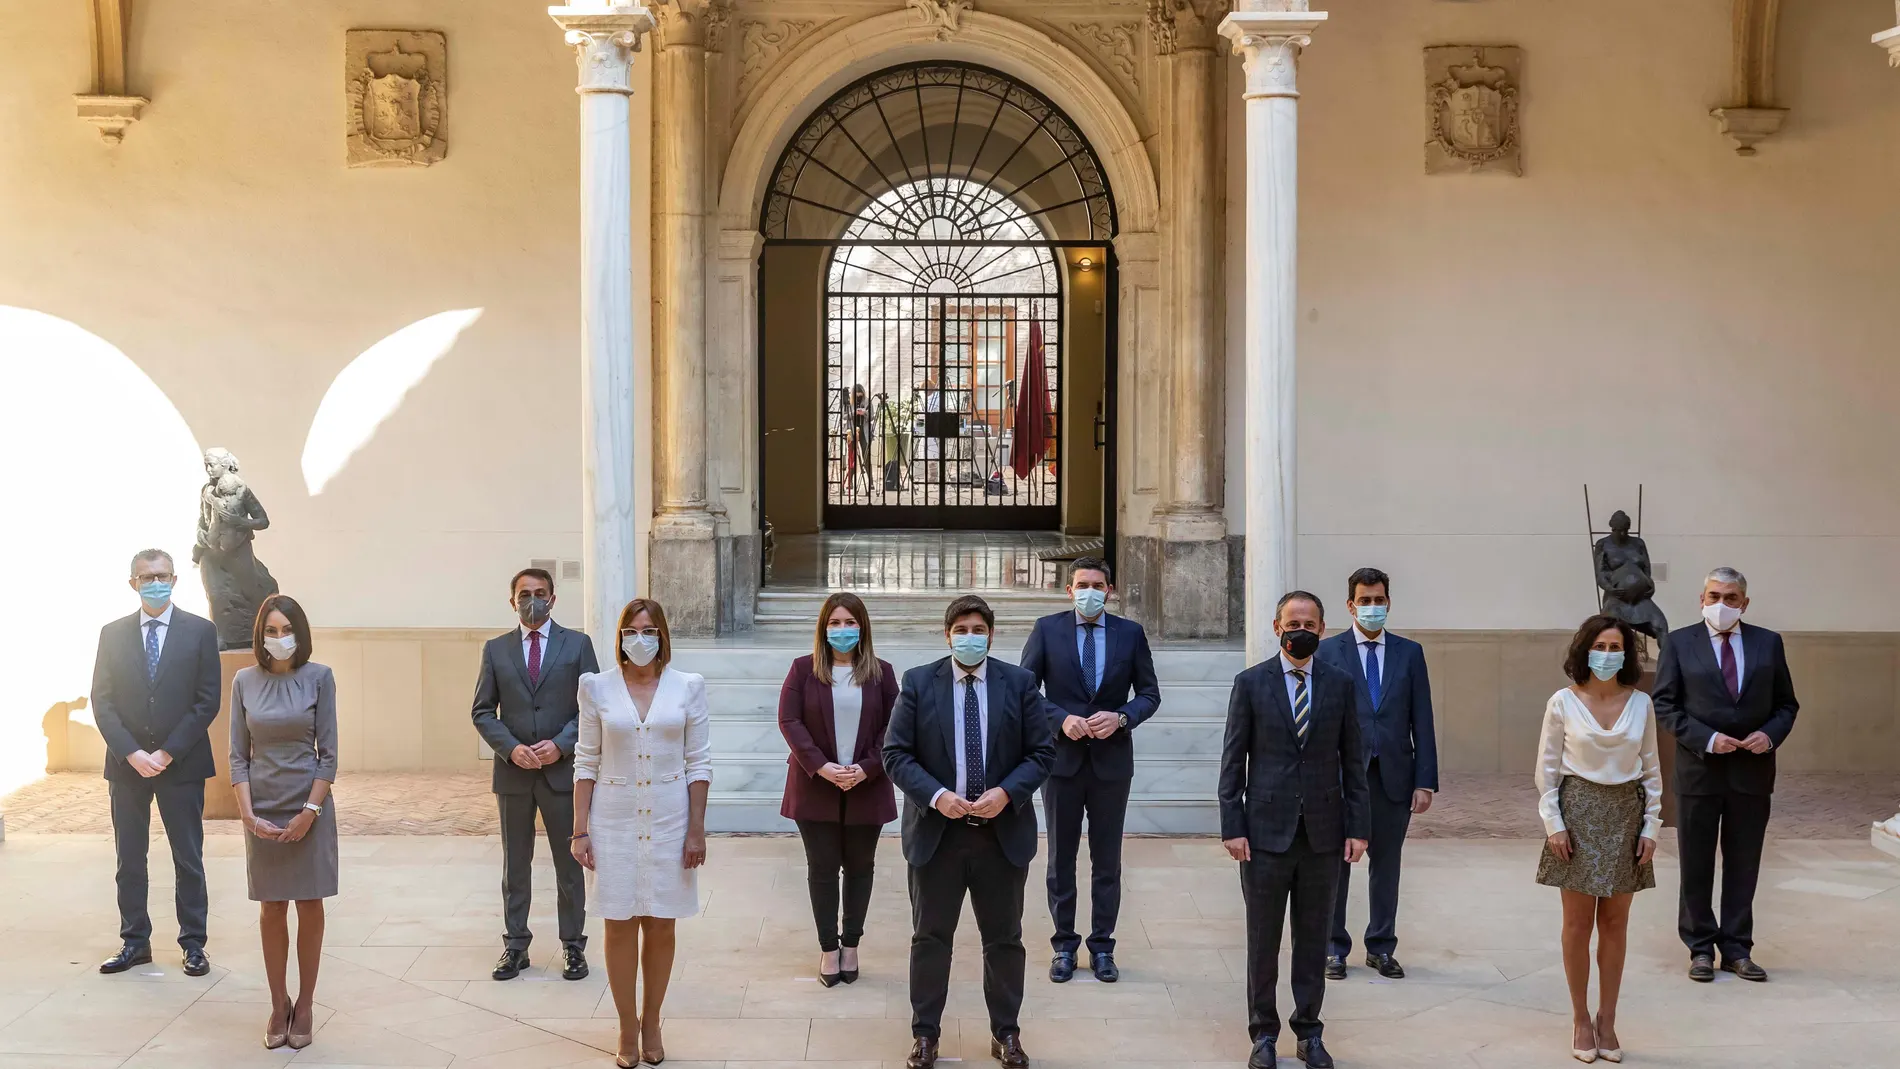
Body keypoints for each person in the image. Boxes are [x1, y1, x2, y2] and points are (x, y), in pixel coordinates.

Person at [882, 595, 1055, 1069]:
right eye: (961, 629)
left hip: (1001, 834)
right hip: (938, 834)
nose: (970, 636)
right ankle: (925, 1034)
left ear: (991, 635)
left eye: (978, 628)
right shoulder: (919, 683)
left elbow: (1042, 752)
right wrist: (938, 796)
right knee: (931, 938)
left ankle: (1006, 1033)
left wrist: (1007, 793)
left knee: (1004, 939)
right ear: (947, 635)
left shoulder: (1019, 684)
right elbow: (895, 754)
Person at [1219, 591, 1368, 1069]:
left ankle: (1309, 1030)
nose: (1300, 629)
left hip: (1324, 835)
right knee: (1263, 939)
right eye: (1292, 621)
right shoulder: (1250, 683)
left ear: (1322, 629)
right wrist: (1232, 826)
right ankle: (1263, 1034)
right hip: (1264, 834)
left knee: (1313, 939)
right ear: (1276, 626)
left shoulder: (1341, 684)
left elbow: (1354, 761)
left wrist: (1358, 827)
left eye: (1309, 622)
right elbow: (1232, 761)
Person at [571, 598, 711, 1068]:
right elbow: (586, 760)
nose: (640, 638)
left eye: (649, 630)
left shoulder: (688, 686)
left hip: (671, 819)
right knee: (618, 921)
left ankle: (652, 1020)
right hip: (613, 818)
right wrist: (579, 830)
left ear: (663, 635)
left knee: (661, 921)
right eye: (631, 630)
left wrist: (696, 830)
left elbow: (699, 762)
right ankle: (626, 1025)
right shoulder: (596, 687)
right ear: (620, 637)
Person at [1652, 567, 1798, 984]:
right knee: (1695, 863)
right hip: (1699, 771)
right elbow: (1665, 705)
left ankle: (1737, 948)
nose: (1721, 604)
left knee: (1744, 863)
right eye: (1714, 596)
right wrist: (1706, 738)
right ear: (1701, 600)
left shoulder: (1768, 643)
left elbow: (1787, 705)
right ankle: (1699, 947)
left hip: (1751, 773)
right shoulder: (1680, 642)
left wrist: (1768, 736)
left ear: (1744, 603)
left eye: (1730, 598)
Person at [1020, 556, 1159, 983]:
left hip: (1111, 762)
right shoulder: (1047, 630)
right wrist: (1060, 718)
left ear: (1110, 590)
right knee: (1061, 858)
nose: (1090, 591)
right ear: (1069, 590)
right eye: (1082, 584)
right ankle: (1064, 945)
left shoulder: (1130, 634)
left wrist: (1121, 717)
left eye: (1098, 585)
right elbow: (1025, 689)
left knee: (1107, 859)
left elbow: (1149, 693)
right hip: (1061, 761)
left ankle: (1103, 946)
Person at [1535, 615, 1662, 1063]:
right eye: (1600, 646)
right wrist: (1554, 823)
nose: (1606, 655)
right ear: (1584, 650)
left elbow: (1651, 770)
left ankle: (1608, 1019)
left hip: (1626, 814)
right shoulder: (1563, 703)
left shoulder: (1640, 703)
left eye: (1615, 647)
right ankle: (1580, 1019)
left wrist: (1651, 826)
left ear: (1626, 654)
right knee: (1577, 923)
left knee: (1614, 923)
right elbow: (1547, 771)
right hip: (1578, 814)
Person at [89, 548, 221, 977]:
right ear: (133, 584)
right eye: (146, 577)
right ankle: (134, 941)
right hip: (127, 766)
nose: (155, 582)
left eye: (162, 575)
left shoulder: (200, 632)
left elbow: (207, 701)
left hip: (180, 764)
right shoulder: (112, 634)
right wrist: (131, 752)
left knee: (188, 857)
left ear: (175, 579)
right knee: (130, 857)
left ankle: (194, 943)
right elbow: (102, 701)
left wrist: (166, 752)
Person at [471, 568, 600, 982]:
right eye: (524, 594)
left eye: (540, 593)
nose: (533, 600)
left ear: (553, 599)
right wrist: (512, 748)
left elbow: (594, 708)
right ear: (512, 601)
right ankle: (515, 946)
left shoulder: (578, 645)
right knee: (516, 864)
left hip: (563, 774)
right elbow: (481, 711)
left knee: (569, 863)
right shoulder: (495, 650)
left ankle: (573, 947)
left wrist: (560, 744)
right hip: (513, 775)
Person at [1316, 567, 1438, 981]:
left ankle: (1381, 946)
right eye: (1365, 600)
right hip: (1340, 777)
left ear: (1388, 603)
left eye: (1379, 600)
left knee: (1387, 864)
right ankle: (1334, 948)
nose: (1372, 607)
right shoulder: (1328, 652)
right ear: (1350, 605)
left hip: (1393, 777)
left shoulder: (1409, 653)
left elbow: (1422, 718)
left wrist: (1425, 779)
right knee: (1337, 863)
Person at [230, 594, 339, 1051]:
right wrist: (249, 816)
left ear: (301, 632)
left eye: (286, 630)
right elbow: (237, 757)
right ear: (260, 636)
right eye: (271, 631)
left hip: (308, 804)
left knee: (309, 904)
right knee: (272, 906)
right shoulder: (242, 681)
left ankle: (307, 1003)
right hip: (262, 808)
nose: (279, 639)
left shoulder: (320, 678)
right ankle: (279, 1003)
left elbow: (329, 756)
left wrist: (309, 813)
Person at [777, 592, 899, 986]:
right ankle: (829, 948)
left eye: (850, 623)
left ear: (862, 627)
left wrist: (866, 768)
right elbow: (790, 721)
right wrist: (821, 766)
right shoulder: (802, 670)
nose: (842, 630)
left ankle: (852, 945)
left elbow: (894, 728)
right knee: (823, 869)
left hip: (867, 784)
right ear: (823, 628)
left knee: (861, 868)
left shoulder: (881, 673)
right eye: (835, 623)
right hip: (816, 787)